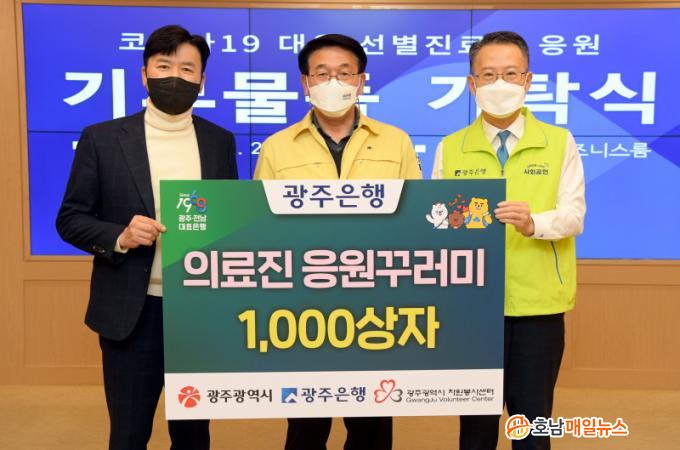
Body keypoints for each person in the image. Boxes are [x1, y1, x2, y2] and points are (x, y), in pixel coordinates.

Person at [56, 24, 238, 450]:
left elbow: (228, 219)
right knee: (129, 433)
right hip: (131, 312)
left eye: (187, 68)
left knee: (193, 435)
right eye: (164, 66)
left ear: (202, 80)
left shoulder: (219, 141)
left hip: (197, 312)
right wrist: (120, 235)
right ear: (144, 74)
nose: (175, 76)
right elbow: (70, 219)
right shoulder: (102, 138)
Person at [254, 34, 422, 450]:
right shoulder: (277, 147)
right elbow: (258, 230)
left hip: (377, 307)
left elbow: (418, 221)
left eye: (344, 73)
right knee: (306, 426)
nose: (333, 82)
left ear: (361, 81)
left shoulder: (396, 142)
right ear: (305, 83)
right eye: (322, 73)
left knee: (371, 425)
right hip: (303, 309)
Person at [431, 31, 586, 450]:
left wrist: (534, 223)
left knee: (533, 422)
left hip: (538, 304)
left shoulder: (559, 141)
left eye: (510, 73)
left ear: (528, 80)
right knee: (476, 426)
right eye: (488, 74)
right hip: (472, 305)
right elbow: (436, 222)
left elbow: (574, 215)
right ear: (472, 84)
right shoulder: (451, 147)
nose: (499, 84)